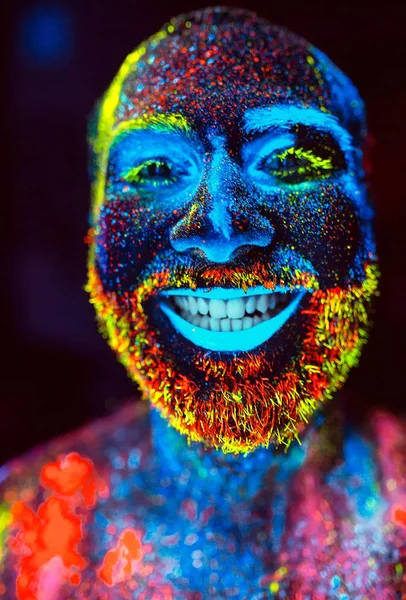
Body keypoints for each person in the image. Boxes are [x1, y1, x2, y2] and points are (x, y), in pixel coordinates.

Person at [0, 6, 403, 599]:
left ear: (366, 214)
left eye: (289, 161)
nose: (220, 234)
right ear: (94, 231)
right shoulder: (17, 534)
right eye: (158, 168)